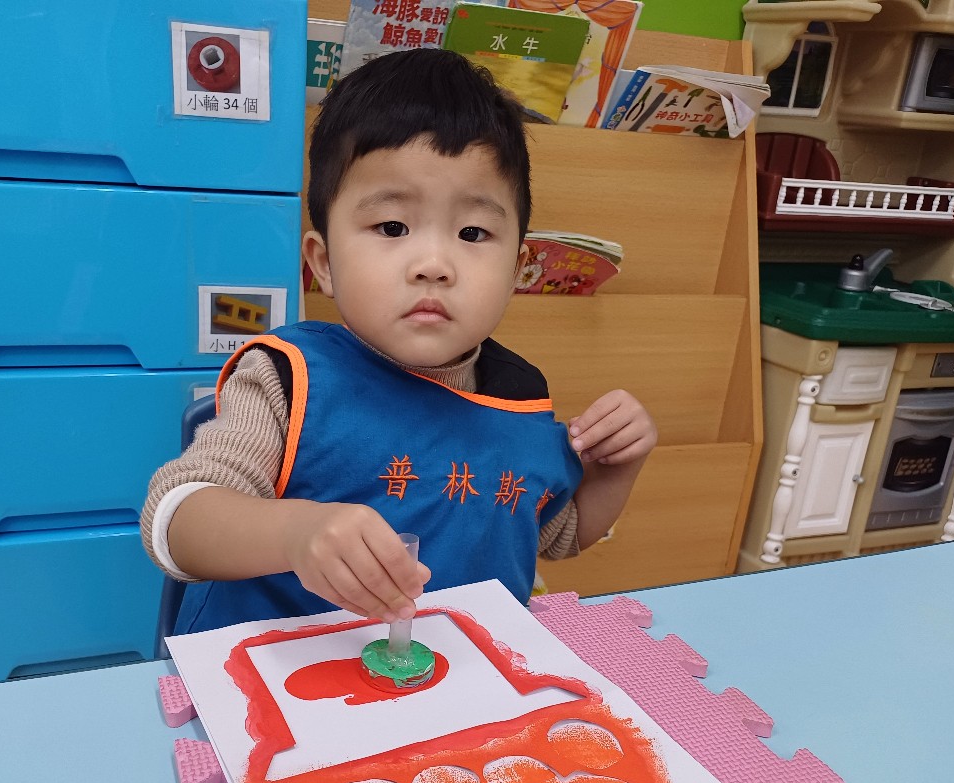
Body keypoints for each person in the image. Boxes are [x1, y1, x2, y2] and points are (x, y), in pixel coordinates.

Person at [142, 47, 656, 633]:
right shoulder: (289, 380)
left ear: (518, 268)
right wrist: (295, 532)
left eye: (473, 233)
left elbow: (557, 535)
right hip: (280, 673)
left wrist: (617, 470)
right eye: (392, 227)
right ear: (323, 262)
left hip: (456, 672)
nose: (433, 264)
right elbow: (175, 520)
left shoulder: (519, 395)